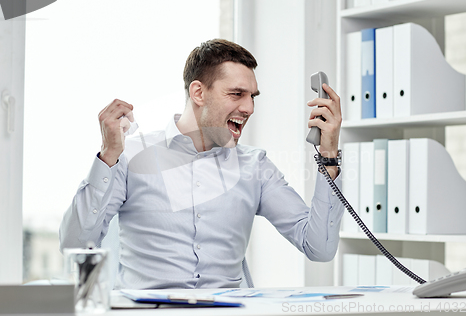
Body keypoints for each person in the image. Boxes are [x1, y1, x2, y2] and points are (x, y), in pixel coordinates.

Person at [59, 39, 344, 290]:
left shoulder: (255, 166)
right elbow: (74, 245)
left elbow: (319, 247)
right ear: (198, 93)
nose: (249, 108)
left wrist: (329, 153)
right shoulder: (130, 156)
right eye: (236, 94)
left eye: (252, 97)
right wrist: (108, 157)